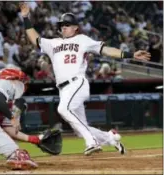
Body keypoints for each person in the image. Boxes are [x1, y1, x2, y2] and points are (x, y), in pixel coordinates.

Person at [19, 3, 151, 156]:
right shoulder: (53, 43)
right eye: (62, 25)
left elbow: (106, 50)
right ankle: (110, 138)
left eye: (67, 25)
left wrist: (130, 55)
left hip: (77, 83)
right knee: (80, 129)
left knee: (63, 109)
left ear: (76, 27)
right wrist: (25, 18)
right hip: (63, 89)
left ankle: (92, 143)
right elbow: (35, 38)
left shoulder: (82, 39)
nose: (63, 27)